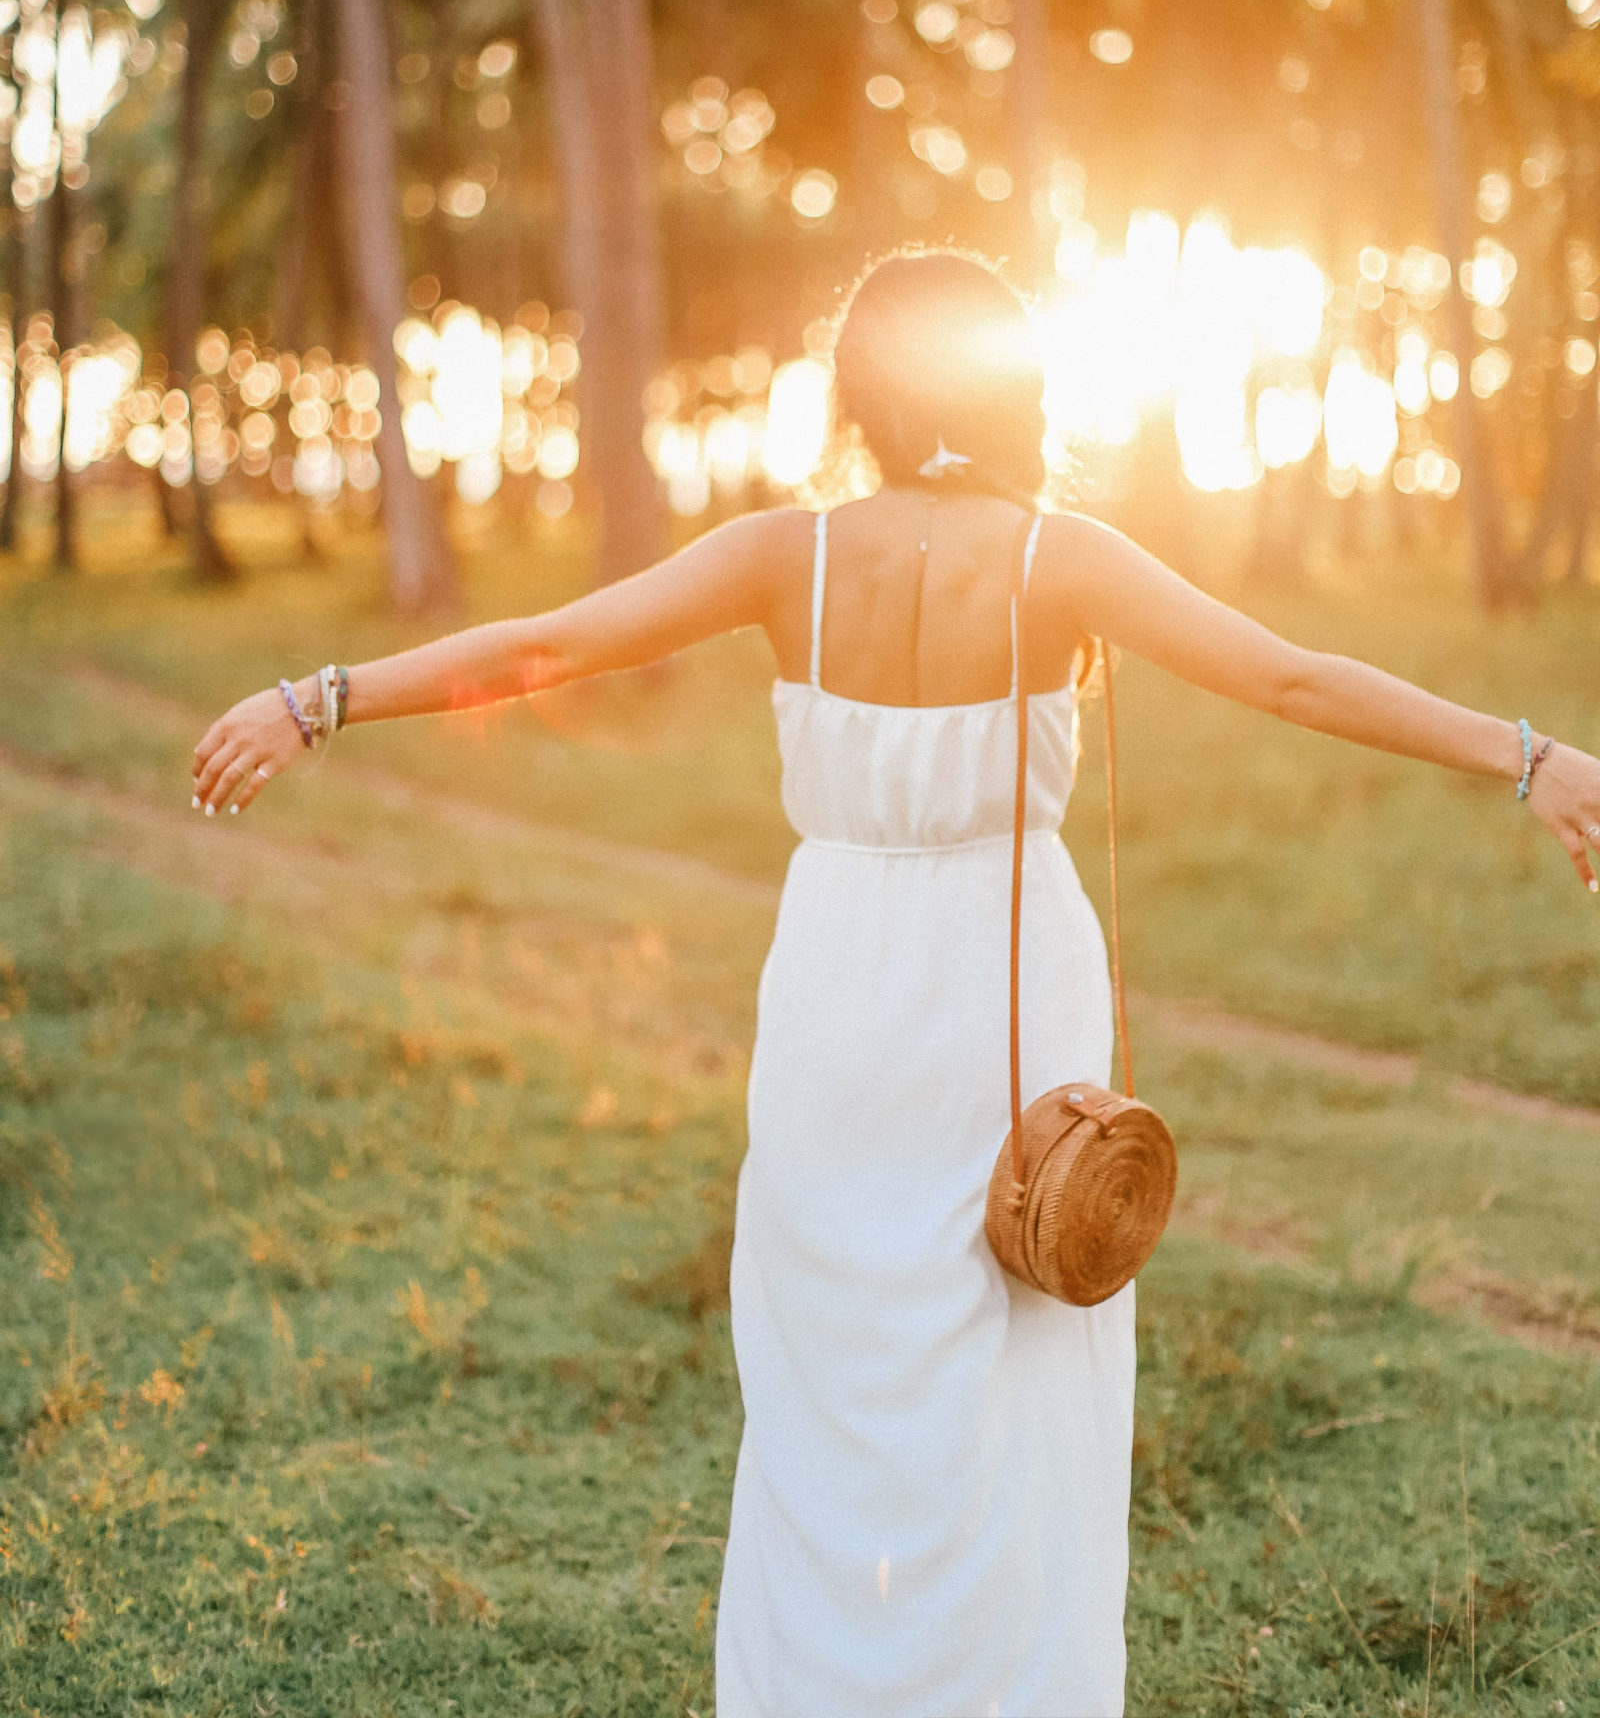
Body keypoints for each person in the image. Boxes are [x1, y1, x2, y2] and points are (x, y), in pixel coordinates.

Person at [193, 247, 1600, 1718]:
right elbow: (1295, 679)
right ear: (1020, 391)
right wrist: (1528, 756)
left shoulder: (780, 555)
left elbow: (550, 648)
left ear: (854, 393)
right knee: (1020, 1369)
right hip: (1011, 983)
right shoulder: (1063, 556)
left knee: (831, 1380)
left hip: (841, 990)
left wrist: (323, 699)